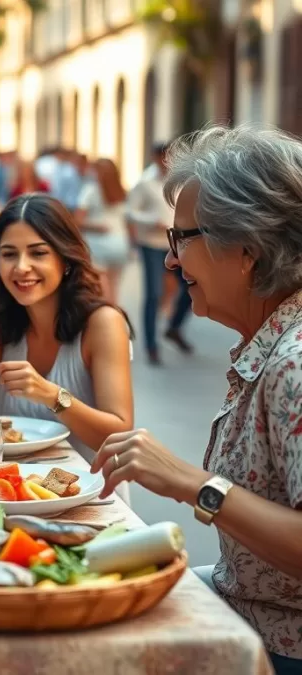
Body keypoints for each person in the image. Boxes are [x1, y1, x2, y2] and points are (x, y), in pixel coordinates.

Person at [91, 125, 302, 675]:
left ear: (247, 249)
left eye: (181, 239)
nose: (169, 261)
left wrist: (191, 482)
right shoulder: (273, 345)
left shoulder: (295, 362)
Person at [0, 194, 133, 501]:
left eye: (38, 253)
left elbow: (118, 433)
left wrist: (51, 395)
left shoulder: (102, 323)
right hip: (16, 496)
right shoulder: (2, 324)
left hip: (90, 498)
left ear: (65, 260)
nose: (21, 267)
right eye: (9, 254)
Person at [127, 141, 193, 365]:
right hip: (152, 245)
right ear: (155, 158)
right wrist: (151, 221)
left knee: (192, 287)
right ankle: (151, 346)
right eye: (162, 157)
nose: (166, 161)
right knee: (153, 294)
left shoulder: (182, 180)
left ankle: (173, 327)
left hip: (178, 242)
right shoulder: (144, 183)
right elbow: (130, 211)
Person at [74, 159, 131, 302]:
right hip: (120, 242)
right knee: (115, 286)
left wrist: (95, 227)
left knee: (102, 286)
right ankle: (117, 317)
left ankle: (108, 317)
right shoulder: (122, 191)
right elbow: (128, 221)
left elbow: (77, 220)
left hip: (98, 243)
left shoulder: (90, 190)